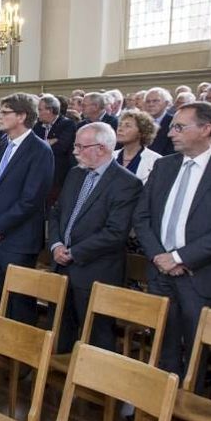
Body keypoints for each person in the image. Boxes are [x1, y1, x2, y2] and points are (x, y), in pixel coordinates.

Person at [133, 102, 211, 379]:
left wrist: (178, 257)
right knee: (162, 344)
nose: (171, 133)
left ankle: (185, 410)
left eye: (179, 127)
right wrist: (160, 257)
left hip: (201, 274)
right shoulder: (164, 165)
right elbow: (142, 217)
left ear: (206, 129)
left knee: (196, 351)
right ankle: (158, 407)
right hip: (160, 271)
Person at [48, 123, 142, 352]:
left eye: (81, 146)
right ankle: (59, 384)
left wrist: (75, 253)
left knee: (97, 339)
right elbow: (57, 212)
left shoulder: (127, 183)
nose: (75, 151)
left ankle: (93, 387)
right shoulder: (75, 173)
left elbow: (116, 232)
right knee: (60, 331)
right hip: (62, 267)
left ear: (101, 148)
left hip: (96, 271)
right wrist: (57, 244)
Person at [0, 93, 54, 325]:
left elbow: (31, 200)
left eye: (5, 112)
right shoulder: (1, 147)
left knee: (19, 304)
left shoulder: (40, 151)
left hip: (18, 239)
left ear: (21, 116)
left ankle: (19, 359)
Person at [33, 94, 77, 198]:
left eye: (40, 109)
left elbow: (61, 148)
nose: (37, 113)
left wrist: (43, 144)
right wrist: (50, 142)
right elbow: (33, 147)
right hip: (40, 174)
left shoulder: (67, 124)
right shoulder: (37, 126)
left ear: (50, 110)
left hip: (59, 175)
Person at [115, 109, 162, 183]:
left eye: (127, 126)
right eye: (120, 125)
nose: (120, 129)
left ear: (142, 132)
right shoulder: (110, 156)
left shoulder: (156, 161)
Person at [143, 87, 175, 156]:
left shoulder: (174, 122)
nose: (151, 104)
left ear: (166, 103)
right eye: (148, 101)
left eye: (155, 101)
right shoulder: (140, 122)